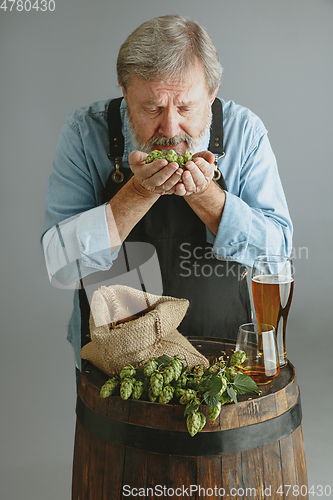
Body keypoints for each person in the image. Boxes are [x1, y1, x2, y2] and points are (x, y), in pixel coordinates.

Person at [41, 15, 293, 378]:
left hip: (226, 365)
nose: (171, 129)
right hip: (117, 368)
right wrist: (138, 192)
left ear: (212, 91)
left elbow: (277, 257)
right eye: (153, 109)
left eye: (186, 108)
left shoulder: (245, 133)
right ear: (125, 91)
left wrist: (208, 197)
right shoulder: (84, 133)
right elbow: (61, 266)